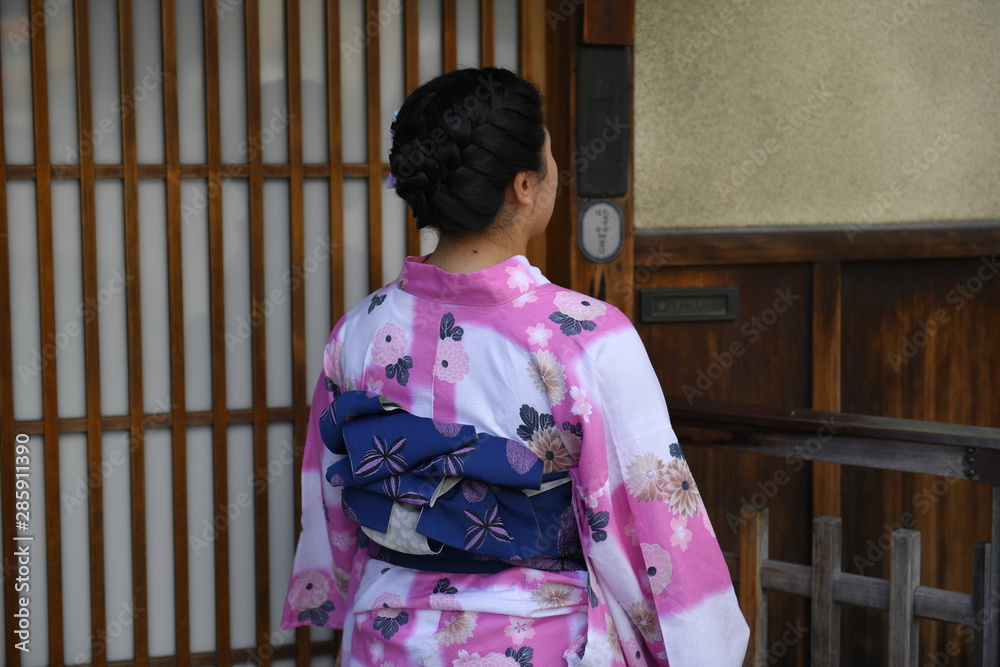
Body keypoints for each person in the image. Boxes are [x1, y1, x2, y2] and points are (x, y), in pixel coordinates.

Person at [281, 67, 749, 666]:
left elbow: (333, 496)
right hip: (534, 639)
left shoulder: (359, 332)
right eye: (551, 159)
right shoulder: (585, 338)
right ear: (525, 185)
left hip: (387, 638)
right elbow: (648, 524)